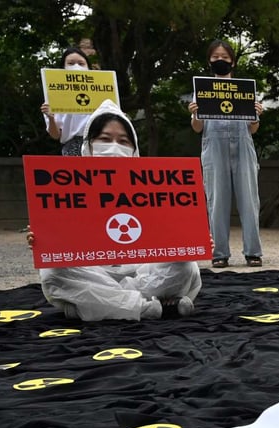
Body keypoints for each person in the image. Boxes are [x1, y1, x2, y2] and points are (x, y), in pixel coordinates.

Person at [26, 100, 201, 321]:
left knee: (185, 265)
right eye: (105, 139)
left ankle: (96, 306)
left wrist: (193, 240)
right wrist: (43, 240)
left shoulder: (154, 186)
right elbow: (59, 242)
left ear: (134, 148)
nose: (114, 147)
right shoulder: (66, 187)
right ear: (88, 144)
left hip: (143, 270)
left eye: (123, 141)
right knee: (54, 272)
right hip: (93, 271)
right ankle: (149, 305)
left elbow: (172, 238)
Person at [187, 40, 264, 269]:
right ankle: (219, 252)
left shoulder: (245, 89)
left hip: (243, 145)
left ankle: (253, 252)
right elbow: (197, 128)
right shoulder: (201, 90)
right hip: (214, 147)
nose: (220, 61)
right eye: (215, 57)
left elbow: (253, 129)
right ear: (209, 61)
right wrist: (195, 114)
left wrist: (256, 114)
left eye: (224, 57)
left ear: (233, 61)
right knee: (216, 201)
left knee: (249, 200)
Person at [39, 48, 93, 156]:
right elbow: (56, 135)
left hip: (99, 146)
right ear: (63, 67)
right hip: (72, 149)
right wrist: (51, 117)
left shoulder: (103, 93)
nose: (76, 66)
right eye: (71, 63)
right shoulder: (54, 97)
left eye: (81, 63)